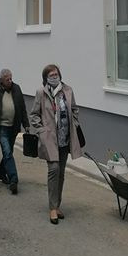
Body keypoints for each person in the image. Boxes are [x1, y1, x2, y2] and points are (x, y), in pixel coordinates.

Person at [30, 64, 83, 224]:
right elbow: (34, 115)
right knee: (54, 170)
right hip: (50, 139)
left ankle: (57, 205)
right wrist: (42, 131)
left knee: (61, 173)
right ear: (46, 78)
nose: (54, 77)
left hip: (65, 138)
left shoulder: (67, 90)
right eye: (51, 75)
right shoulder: (41, 92)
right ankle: (52, 208)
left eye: (56, 74)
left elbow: (74, 109)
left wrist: (74, 122)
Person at [0, 68, 29, 194]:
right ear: (1, 80)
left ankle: (1, 172)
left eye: (11, 78)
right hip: (1, 127)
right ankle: (14, 179)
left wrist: (26, 124)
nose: (10, 81)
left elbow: (22, 107)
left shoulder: (17, 89)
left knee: (8, 152)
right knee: (7, 152)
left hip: (13, 127)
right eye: (7, 79)